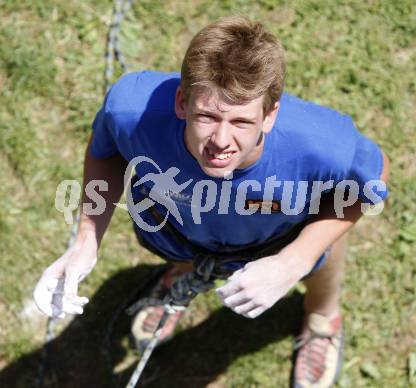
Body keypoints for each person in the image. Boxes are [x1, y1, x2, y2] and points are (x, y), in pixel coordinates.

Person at [33, 16, 390, 387]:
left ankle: (322, 317)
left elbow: (373, 181)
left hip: (279, 234)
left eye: (241, 122)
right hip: (178, 225)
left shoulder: (323, 146)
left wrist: (293, 261)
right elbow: (107, 151)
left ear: (270, 115)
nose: (221, 141)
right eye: (206, 115)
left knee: (320, 263)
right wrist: (86, 240)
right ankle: (185, 274)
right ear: (181, 101)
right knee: (183, 252)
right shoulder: (130, 110)